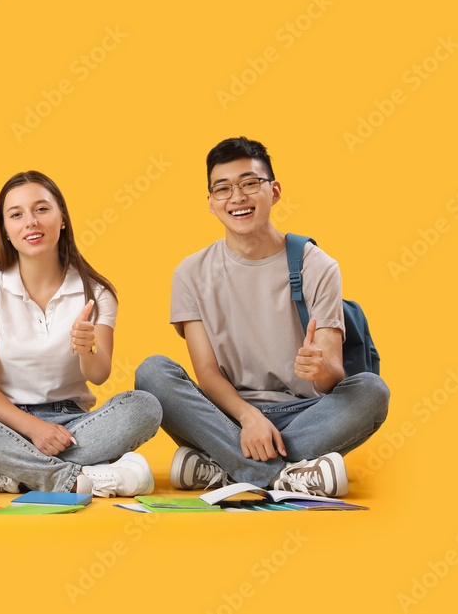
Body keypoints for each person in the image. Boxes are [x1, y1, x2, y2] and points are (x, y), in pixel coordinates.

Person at [136, 136, 389, 497]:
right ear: (210, 203)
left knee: (372, 392)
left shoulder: (317, 266)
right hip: (226, 417)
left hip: (305, 413)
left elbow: (334, 374)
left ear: (275, 191)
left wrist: (320, 370)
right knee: (152, 374)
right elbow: (206, 374)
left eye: (250, 183)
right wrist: (248, 417)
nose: (237, 197)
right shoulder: (190, 273)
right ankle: (284, 476)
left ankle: (225, 468)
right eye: (223, 189)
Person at [0, 171, 162, 497]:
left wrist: (87, 349)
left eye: (42, 209)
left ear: (62, 220)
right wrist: (34, 429)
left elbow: (99, 375)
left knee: (145, 406)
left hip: (73, 425)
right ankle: (69, 478)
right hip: (4, 423)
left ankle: (8, 474)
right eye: (16, 214)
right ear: (6, 231)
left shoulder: (96, 292)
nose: (30, 221)